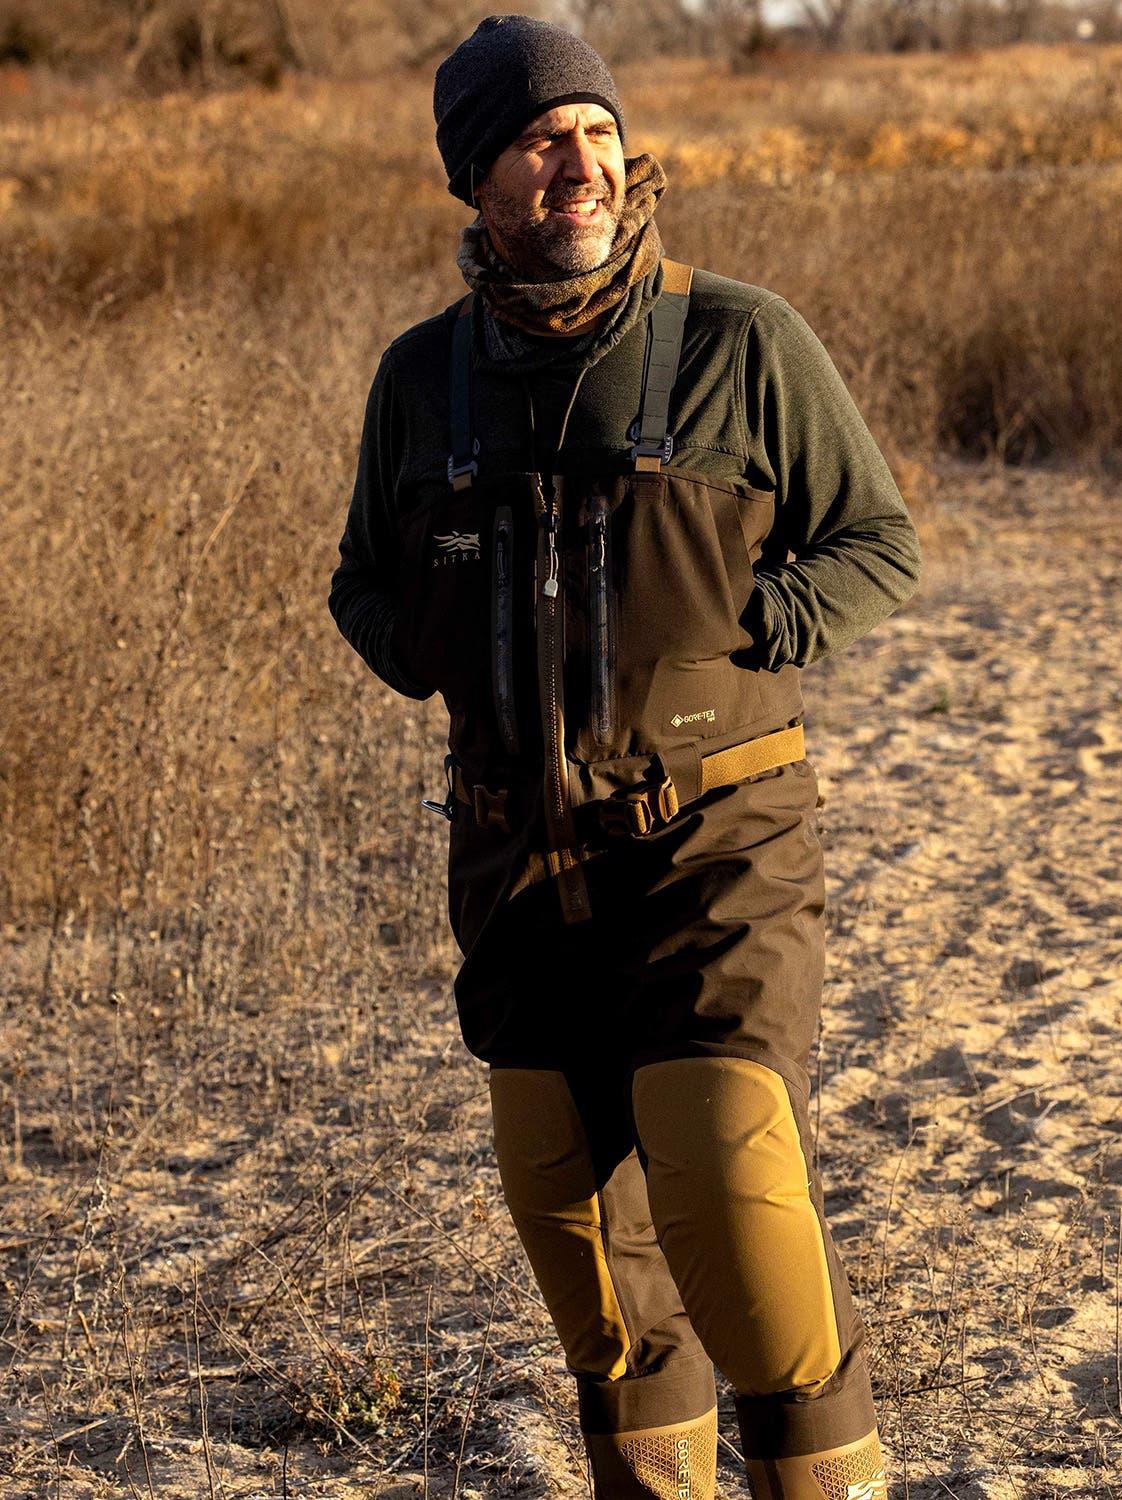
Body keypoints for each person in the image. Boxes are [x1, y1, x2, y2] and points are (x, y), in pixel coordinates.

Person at [328, 16, 921, 1499]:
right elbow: (361, 577)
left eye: (594, 128)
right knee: (583, 1259)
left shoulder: (742, 340)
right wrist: (428, 651)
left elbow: (878, 542)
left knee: (732, 1183)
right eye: (538, 138)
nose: (578, 159)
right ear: (477, 177)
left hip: (717, 842)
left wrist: (763, 621)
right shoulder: (424, 381)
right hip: (516, 858)